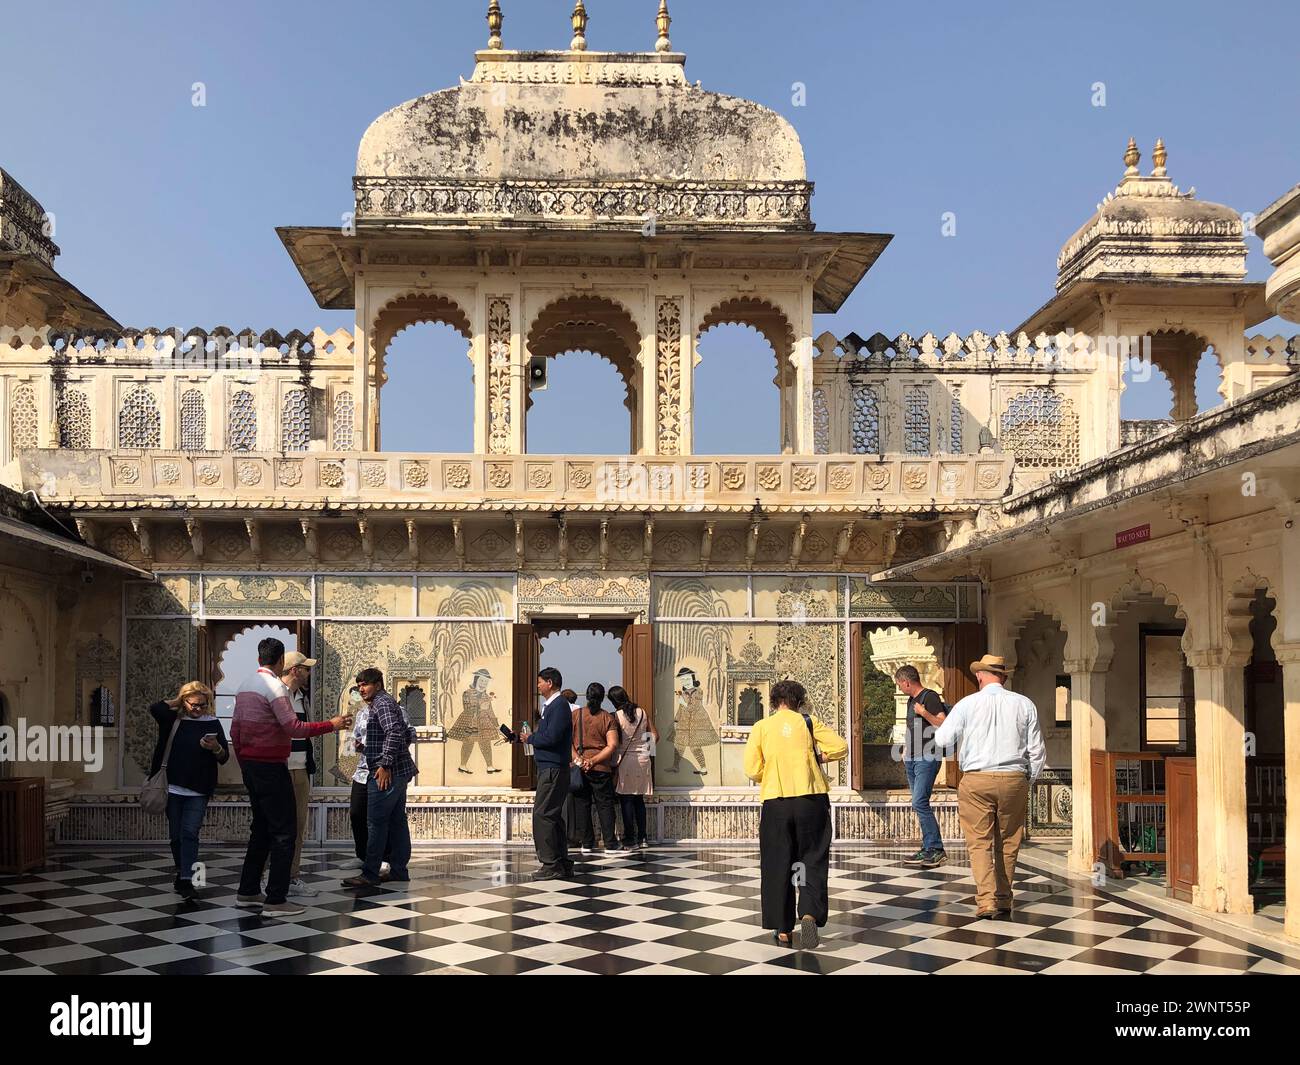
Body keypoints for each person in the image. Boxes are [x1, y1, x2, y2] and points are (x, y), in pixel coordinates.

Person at [231, 637, 348, 917]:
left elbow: (235, 732)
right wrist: (330, 726)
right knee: (285, 832)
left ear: (260, 657)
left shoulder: (245, 685)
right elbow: (293, 727)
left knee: (260, 829)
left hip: (252, 766)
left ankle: (248, 891)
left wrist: (245, 764)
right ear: (281, 661)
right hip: (272, 767)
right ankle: (276, 899)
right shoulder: (275, 688)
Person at [933, 654, 1046, 919]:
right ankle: (1005, 898)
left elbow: (943, 739)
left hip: (976, 778)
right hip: (1013, 778)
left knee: (979, 842)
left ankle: (987, 901)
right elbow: (1037, 751)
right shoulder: (1024, 704)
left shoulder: (967, 705)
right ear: (1004, 677)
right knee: (1008, 842)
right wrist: (1026, 780)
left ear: (980, 675)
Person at [744, 679, 847, 949]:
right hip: (810, 799)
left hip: (776, 802)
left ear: (774, 701)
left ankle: (783, 929)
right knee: (812, 859)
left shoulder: (761, 727)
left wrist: (772, 771)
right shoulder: (809, 722)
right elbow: (841, 747)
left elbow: (752, 769)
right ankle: (810, 914)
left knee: (778, 864)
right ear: (799, 700)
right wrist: (818, 757)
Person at [148, 682, 228, 898]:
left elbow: (224, 757)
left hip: (198, 790)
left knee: (189, 833)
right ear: (185, 702)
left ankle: (186, 879)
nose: (198, 709)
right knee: (176, 836)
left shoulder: (212, 722)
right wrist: (179, 699)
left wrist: (216, 748)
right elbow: (155, 708)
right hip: (172, 788)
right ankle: (182, 870)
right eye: (194, 705)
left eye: (203, 705)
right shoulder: (173, 720)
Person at [343, 669, 417, 889]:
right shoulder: (378, 704)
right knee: (396, 822)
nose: (361, 689)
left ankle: (370, 873)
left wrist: (385, 764)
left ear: (378, 684)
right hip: (394, 771)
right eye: (359, 686)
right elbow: (389, 735)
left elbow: (396, 732)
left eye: (365, 684)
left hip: (387, 772)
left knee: (375, 822)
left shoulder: (382, 703)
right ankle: (398, 871)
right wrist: (365, 748)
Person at [516, 667, 572, 880]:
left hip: (553, 769)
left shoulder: (558, 706)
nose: (538, 686)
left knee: (543, 815)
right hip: (552, 768)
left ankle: (551, 864)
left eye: (540, 682)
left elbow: (552, 738)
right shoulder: (554, 706)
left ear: (549, 683)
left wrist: (530, 738)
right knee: (553, 816)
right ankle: (561, 862)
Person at [893, 664, 949, 869]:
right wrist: (906, 749)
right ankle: (928, 848)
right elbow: (912, 728)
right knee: (918, 803)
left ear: (907, 682)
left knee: (919, 802)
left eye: (900, 684)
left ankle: (936, 849)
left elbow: (942, 724)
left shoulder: (929, 697)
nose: (900, 688)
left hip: (928, 757)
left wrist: (924, 713)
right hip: (913, 758)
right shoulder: (911, 700)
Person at [280, 651, 320, 898]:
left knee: (298, 828)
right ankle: (265, 878)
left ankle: (291, 877)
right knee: (274, 827)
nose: (308, 672)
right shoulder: (276, 696)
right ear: (295, 670)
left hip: (301, 770)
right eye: (305, 668)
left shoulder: (302, 698)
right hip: (279, 770)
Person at [570, 682, 621, 854]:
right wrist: (593, 761)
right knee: (605, 805)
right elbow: (612, 745)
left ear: (587, 696)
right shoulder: (607, 718)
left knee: (582, 805)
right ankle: (610, 842)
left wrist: (579, 760)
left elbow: (567, 742)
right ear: (602, 698)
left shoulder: (576, 715)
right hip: (600, 768)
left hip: (578, 768)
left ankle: (587, 842)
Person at [346, 685, 391, 876]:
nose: (361, 693)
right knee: (357, 813)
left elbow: (404, 735)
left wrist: (386, 762)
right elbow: (355, 740)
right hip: (363, 770)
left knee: (379, 818)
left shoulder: (391, 709)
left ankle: (383, 859)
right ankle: (363, 856)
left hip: (380, 770)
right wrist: (355, 745)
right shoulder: (362, 713)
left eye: (364, 687)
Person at [609, 684, 656, 849]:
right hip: (643, 760)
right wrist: (645, 750)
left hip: (625, 761)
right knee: (639, 800)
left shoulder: (616, 716)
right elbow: (655, 736)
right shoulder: (642, 712)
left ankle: (630, 838)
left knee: (626, 800)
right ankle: (643, 837)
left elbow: (615, 742)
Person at [447, 668, 502, 774]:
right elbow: (467, 708)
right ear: (476, 680)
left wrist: (497, 726)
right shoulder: (467, 693)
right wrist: (481, 707)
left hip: (484, 722)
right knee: (468, 742)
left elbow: (491, 712)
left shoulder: (486, 696)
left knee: (486, 743)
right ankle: (463, 765)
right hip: (470, 721)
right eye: (481, 681)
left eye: (485, 682)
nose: (483, 684)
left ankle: (490, 766)